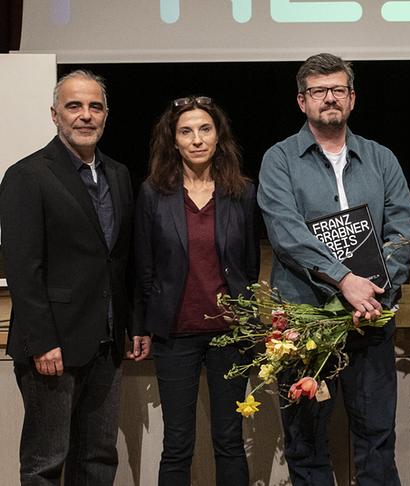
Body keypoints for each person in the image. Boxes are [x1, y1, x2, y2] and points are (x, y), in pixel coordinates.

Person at [258, 53, 410, 486]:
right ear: (302, 101)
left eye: (338, 90)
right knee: (305, 444)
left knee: (377, 439)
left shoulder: (381, 158)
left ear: (352, 98)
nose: (329, 98)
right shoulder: (279, 160)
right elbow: (287, 233)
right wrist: (345, 280)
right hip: (305, 323)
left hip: (371, 320)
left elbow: (404, 223)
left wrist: (379, 289)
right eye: (318, 91)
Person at [0, 69, 150, 485]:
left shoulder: (118, 174)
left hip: (106, 342)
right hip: (52, 346)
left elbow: (121, 260)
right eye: (74, 106)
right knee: (46, 462)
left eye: (95, 106)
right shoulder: (27, 175)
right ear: (55, 115)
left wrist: (132, 324)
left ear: (106, 115)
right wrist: (42, 341)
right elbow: (23, 268)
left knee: (98, 458)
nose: (86, 115)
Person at [134, 95, 259, 485]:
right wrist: (142, 326)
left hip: (230, 336)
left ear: (219, 136)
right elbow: (143, 267)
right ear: (173, 141)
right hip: (175, 335)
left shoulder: (242, 192)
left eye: (205, 129)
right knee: (177, 444)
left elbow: (249, 265)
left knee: (230, 441)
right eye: (186, 132)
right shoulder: (154, 193)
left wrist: (248, 318)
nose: (197, 139)